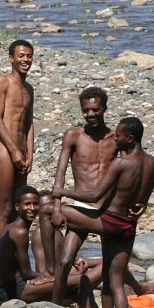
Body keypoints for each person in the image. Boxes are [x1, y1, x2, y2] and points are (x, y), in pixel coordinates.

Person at [49, 117, 154, 308]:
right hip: (129, 224)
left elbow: (94, 196)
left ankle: (48, 284)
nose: (115, 139)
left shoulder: (121, 162)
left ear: (130, 138)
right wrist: (142, 205)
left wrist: (61, 192)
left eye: (119, 136)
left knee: (48, 209)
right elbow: (144, 197)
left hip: (109, 221)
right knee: (116, 279)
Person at [38, 87, 119, 292]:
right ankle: (56, 303)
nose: (90, 114)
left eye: (95, 110)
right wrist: (57, 207)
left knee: (111, 263)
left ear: (104, 109)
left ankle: (109, 305)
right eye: (86, 110)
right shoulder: (74, 135)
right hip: (81, 207)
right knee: (65, 262)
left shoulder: (116, 138)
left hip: (107, 208)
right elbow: (60, 173)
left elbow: (130, 168)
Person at [0, 186, 98, 308]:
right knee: (82, 280)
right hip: (17, 290)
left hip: (10, 287)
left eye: (35, 204)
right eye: (27, 204)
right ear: (17, 206)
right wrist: (54, 276)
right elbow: (26, 273)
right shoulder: (20, 232)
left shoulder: (11, 227)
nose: (32, 208)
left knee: (72, 287)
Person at [0, 39, 36, 242]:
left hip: (21, 150)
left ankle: (15, 251)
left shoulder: (29, 89)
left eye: (29, 56)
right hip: (4, 149)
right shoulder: (3, 82)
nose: (25, 60)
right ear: (11, 58)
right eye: (21, 56)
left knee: (20, 206)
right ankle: (0, 255)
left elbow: (29, 123)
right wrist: (13, 150)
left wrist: (29, 153)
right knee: (6, 207)